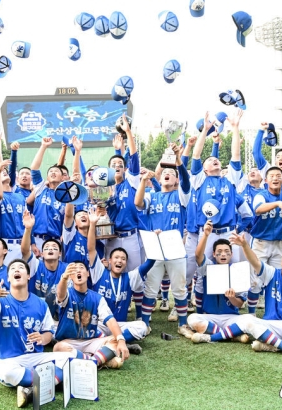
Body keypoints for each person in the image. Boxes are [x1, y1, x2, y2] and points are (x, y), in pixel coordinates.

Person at [193, 233, 282, 358]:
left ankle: (271, 345)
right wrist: (244, 245)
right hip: (270, 324)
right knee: (248, 320)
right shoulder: (272, 273)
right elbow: (255, 262)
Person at [0, 259, 76, 409]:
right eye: (12, 269)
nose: (16, 270)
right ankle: (49, 382)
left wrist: (42, 338)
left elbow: (49, 334)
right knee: (7, 373)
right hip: (9, 360)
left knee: (70, 358)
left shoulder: (40, 303)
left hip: (35, 358)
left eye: (20, 268)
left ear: (28, 276)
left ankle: (30, 388)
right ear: (8, 278)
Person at [134, 142, 191, 332]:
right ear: (160, 177)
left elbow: (186, 180)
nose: (169, 174)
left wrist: (178, 161)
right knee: (150, 286)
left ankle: (183, 324)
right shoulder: (153, 195)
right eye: (166, 173)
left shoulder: (181, 195)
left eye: (173, 174)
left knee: (179, 288)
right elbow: (138, 202)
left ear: (176, 180)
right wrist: (143, 181)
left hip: (175, 247)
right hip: (155, 246)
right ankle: (145, 324)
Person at [190, 109, 253, 263]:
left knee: (233, 269)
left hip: (228, 232)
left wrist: (235, 127)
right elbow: (196, 155)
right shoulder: (200, 180)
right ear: (204, 169)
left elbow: (236, 154)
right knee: (205, 271)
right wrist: (205, 130)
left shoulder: (230, 179)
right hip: (207, 232)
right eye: (210, 160)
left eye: (215, 159)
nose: (214, 160)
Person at [86, 209, 152, 350]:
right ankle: (120, 342)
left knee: (142, 327)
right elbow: (91, 249)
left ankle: (110, 342)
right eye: (116, 257)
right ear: (109, 261)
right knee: (86, 330)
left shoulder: (130, 277)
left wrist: (154, 240)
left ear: (126, 263)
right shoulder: (99, 272)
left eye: (123, 259)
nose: (119, 261)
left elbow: (150, 262)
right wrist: (92, 224)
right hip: (100, 324)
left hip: (120, 324)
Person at [53, 262, 130, 369]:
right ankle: (98, 361)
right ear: (70, 276)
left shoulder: (97, 298)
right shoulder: (68, 293)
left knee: (116, 340)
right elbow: (60, 295)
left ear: (88, 273)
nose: (78, 271)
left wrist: (121, 340)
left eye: (81, 268)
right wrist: (64, 279)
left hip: (91, 341)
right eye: (74, 270)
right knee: (58, 348)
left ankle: (89, 361)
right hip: (69, 342)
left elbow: (110, 320)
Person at [186, 220, 248, 343]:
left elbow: (240, 304)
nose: (223, 255)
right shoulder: (207, 267)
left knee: (248, 320)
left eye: (226, 252)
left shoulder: (237, 270)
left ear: (231, 254)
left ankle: (213, 335)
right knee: (192, 318)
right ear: (214, 254)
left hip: (231, 317)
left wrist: (232, 298)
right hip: (210, 316)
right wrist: (206, 235)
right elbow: (198, 256)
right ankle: (231, 335)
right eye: (219, 252)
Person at [246, 167, 282, 314]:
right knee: (256, 281)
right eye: (271, 176)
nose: (275, 178)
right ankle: (251, 314)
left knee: (277, 280)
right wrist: (277, 204)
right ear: (266, 181)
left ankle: (273, 313)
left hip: (279, 244)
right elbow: (258, 209)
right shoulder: (261, 195)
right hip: (260, 243)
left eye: (278, 176)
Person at [104, 115, 142, 271]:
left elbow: (133, 157)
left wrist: (128, 133)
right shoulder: (105, 188)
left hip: (130, 236)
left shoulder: (131, 182)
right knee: (111, 274)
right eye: (113, 164)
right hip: (111, 237)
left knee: (135, 277)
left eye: (120, 164)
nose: (117, 166)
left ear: (125, 169)